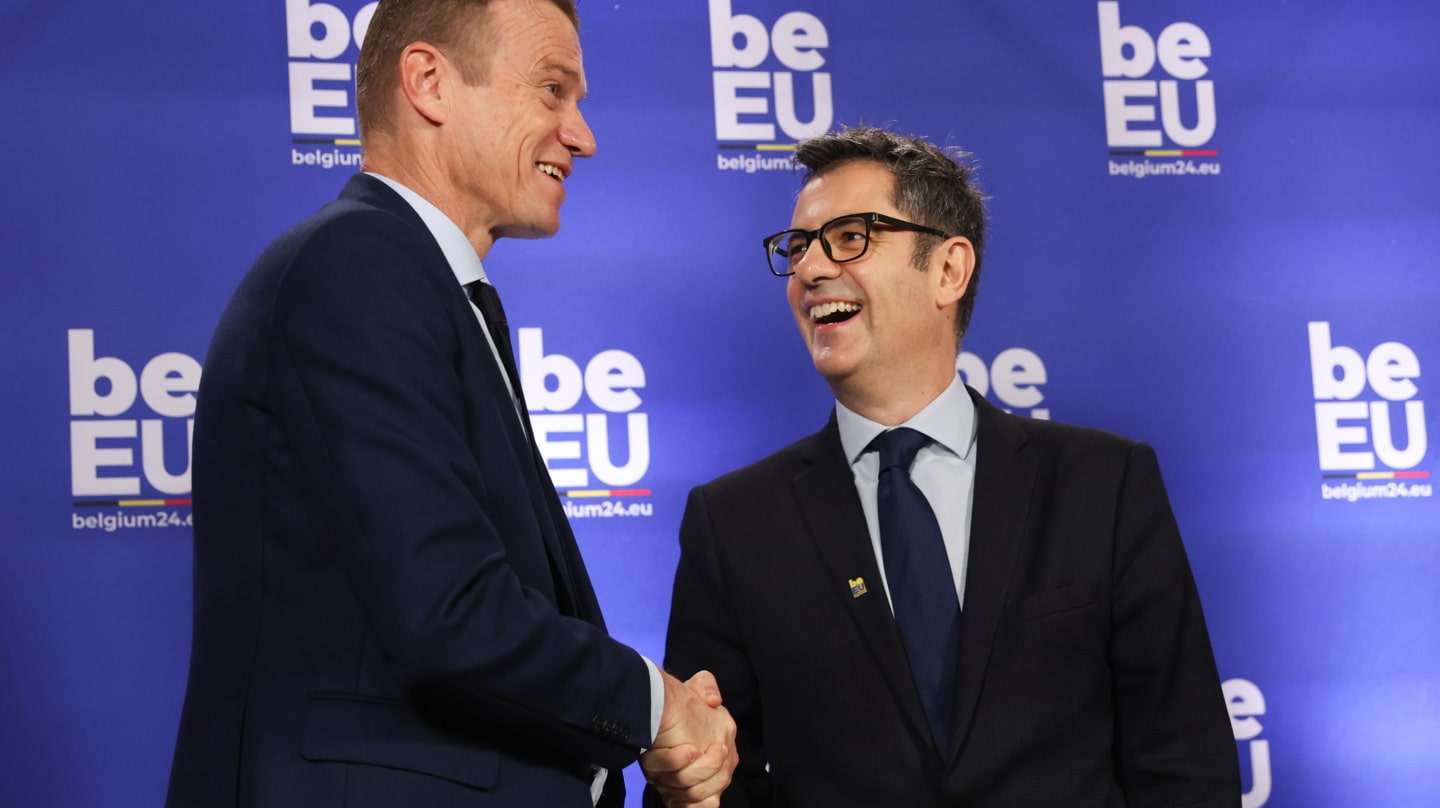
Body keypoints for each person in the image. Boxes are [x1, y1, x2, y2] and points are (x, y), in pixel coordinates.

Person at [165, 1, 735, 806]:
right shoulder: (356, 266)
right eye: (551, 89)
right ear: (429, 82)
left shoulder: (424, 287)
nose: (582, 134)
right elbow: (450, 611)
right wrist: (659, 708)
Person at [651, 125, 1240, 806]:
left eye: (849, 238)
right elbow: (710, 781)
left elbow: (1185, 765)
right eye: (797, 247)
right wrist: (688, 784)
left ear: (948, 270)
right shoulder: (734, 525)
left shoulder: (1103, 486)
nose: (811, 270)